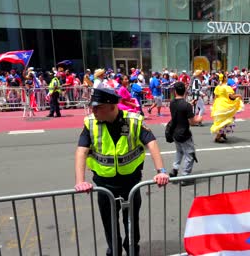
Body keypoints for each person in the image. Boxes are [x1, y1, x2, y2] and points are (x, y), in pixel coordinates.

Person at [74, 87, 169, 256]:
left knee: (132, 226)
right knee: (110, 227)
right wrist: (80, 180)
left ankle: (132, 250)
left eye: (98, 107)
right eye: (92, 106)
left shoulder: (133, 121)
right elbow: (81, 151)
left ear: (112, 106)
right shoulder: (90, 123)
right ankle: (115, 252)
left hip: (130, 185)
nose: (93, 110)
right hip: (104, 186)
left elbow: (152, 143)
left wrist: (161, 170)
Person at [168, 82, 203, 184]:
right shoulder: (186, 106)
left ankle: (175, 169)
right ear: (185, 91)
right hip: (184, 133)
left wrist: (190, 105)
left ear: (175, 91)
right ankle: (184, 176)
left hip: (174, 131)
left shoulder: (172, 103)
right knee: (190, 155)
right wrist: (199, 119)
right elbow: (192, 122)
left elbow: (180, 110)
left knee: (179, 151)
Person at [210, 72, 243, 143]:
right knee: (225, 120)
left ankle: (223, 134)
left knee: (221, 121)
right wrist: (239, 95)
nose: (227, 78)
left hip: (218, 104)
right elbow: (231, 96)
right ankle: (218, 137)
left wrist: (214, 105)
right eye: (227, 77)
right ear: (224, 78)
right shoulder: (227, 87)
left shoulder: (218, 87)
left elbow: (215, 97)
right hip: (224, 105)